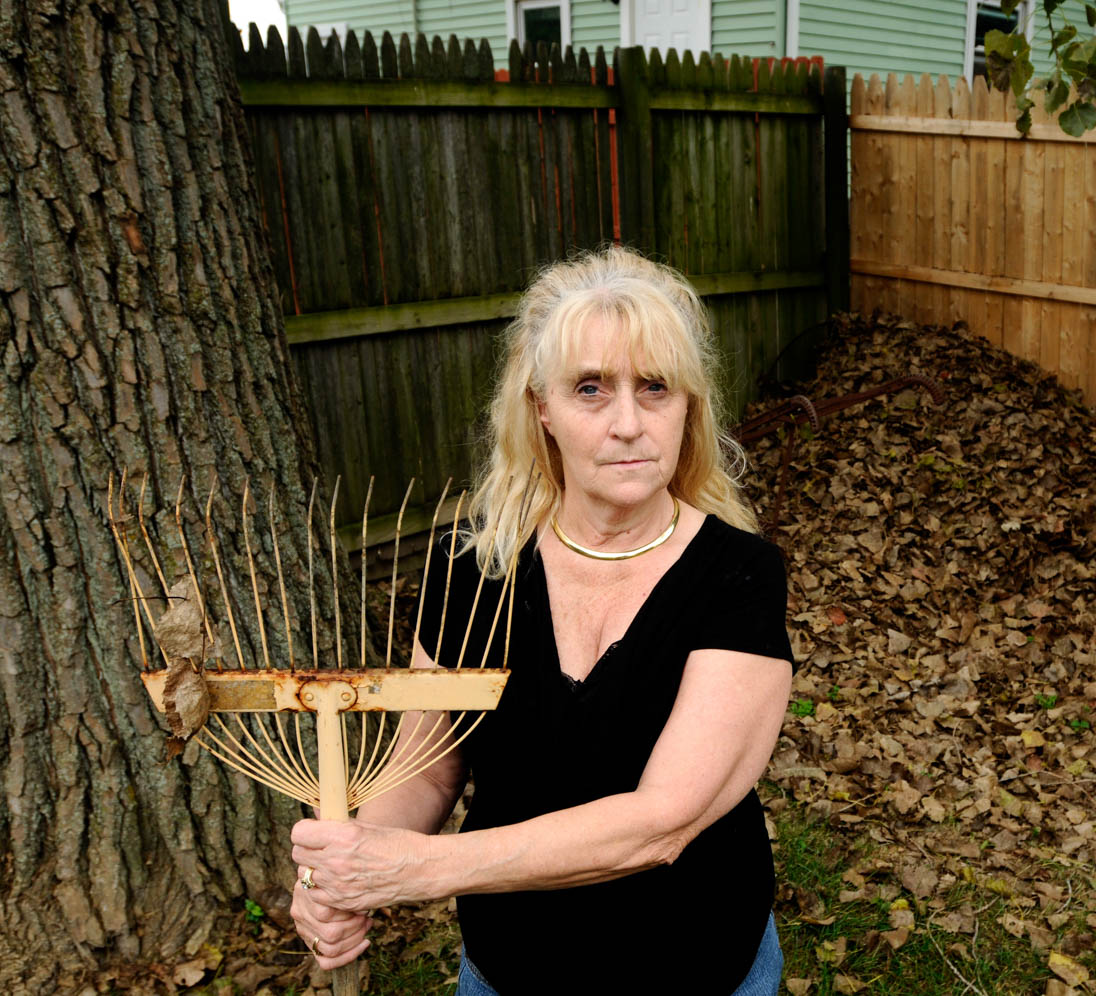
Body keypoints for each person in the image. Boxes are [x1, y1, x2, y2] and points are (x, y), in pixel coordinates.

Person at [287, 245, 795, 994]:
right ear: (542, 409)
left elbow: (660, 824)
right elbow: (427, 769)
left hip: (699, 968)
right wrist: (347, 862)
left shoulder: (737, 575)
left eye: (654, 388)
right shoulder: (474, 572)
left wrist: (416, 870)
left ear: (689, 405)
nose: (628, 423)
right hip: (508, 973)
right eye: (591, 388)